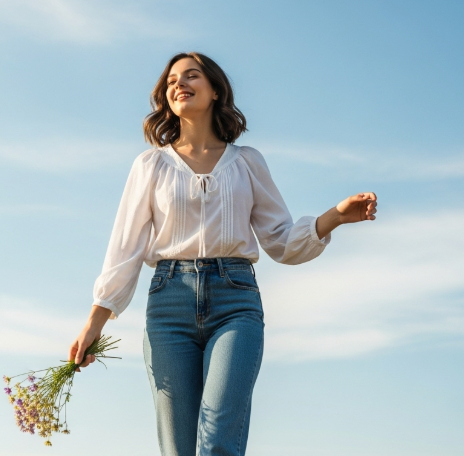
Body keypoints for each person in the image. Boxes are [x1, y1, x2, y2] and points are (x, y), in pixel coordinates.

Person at [68, 52, 377, 456]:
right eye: (171, 81)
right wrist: (95, 322)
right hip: (168, 305)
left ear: (215, 90)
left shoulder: (247, 162)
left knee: (217, 444)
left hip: (236, 303)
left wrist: (334, 217)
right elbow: (123, 250)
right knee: (178, 449)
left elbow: (280, 240)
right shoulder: (150, 166)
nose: (179, 84)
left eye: (191, 76)